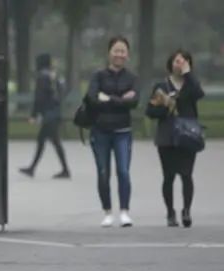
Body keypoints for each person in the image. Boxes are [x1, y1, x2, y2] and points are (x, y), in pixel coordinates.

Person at [145, 49, 204, 227]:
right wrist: (166, 106)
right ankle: (170, 212)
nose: (180, 64)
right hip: (167, 137)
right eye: (177, 61)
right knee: (168, 176)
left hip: (188, 135)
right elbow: (150, 111)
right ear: (170, 64)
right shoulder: (161, 86)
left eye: (184, 61)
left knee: (187, 175)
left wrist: (189, 74)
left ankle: (186, 210)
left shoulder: (191, 84)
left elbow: (199, 94)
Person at [86, 36, 139, 227]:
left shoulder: (131, 77)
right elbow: (92, 98)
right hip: (100, 131)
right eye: (116, 50)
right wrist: (121, 100)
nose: (119, 54)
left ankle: (124, 211)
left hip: (123, 131)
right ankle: (107, 211)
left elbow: (134, 101)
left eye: (123, 51)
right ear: (109, 53)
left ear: (128, 54)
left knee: (123, 171)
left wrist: (107, 98)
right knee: (103, 172)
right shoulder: (98, 76)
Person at [20, 53, 71, 179]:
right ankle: (33, 168)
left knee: (49, 142)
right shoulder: (54, 75)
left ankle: (63, 170)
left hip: (49, 115)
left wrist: (34, 115)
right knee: (46, 141)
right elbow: (63, 91)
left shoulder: (42, 77)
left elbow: (39, 98)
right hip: (55, 113)